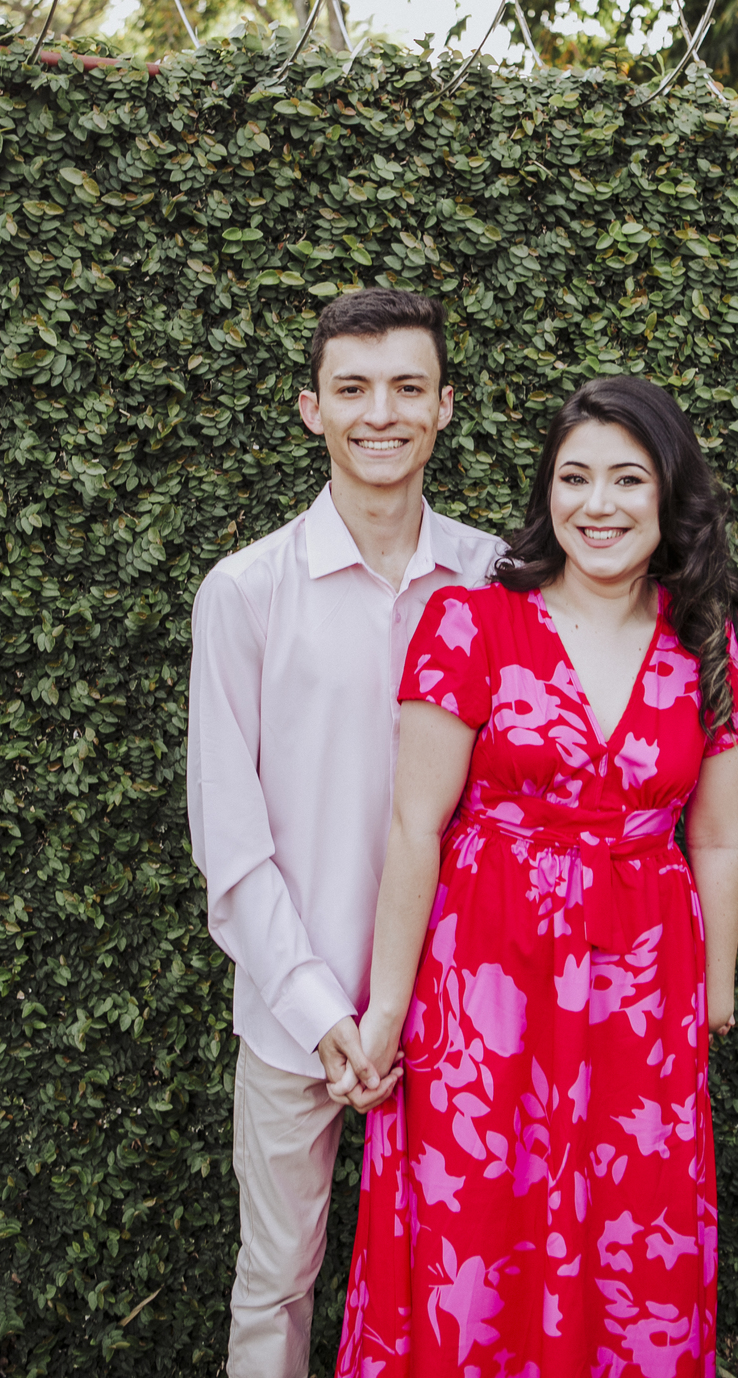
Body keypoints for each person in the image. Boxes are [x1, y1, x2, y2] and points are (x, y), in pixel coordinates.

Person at [332, 374, 738, 1378]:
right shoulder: (471, 624)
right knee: (473, 1235)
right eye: (574, 477)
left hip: (641, 996)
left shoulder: (716, 648)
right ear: (548, 494)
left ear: (669, 494)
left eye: (628, 478)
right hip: (484, 992)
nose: (598, 504)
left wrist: (713, 995)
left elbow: (719, 836)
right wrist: (387, 1010)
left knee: (628, 1232)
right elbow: (416, 825)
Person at [186, 288, 504, 1378]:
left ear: (445, 406)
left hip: (463, 1005)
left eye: (409, 388)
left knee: (472, 1276)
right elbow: (230, 841)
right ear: (311, 408)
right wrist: (323, 1007)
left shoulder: (499, 580)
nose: (382, 413)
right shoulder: (246, 591)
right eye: (353, 388)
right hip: (297, 1011)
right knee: (277, 1280)